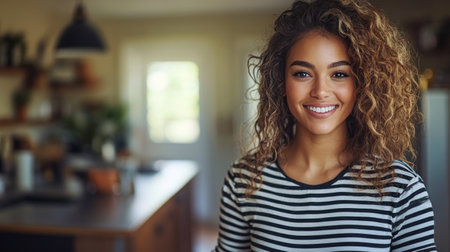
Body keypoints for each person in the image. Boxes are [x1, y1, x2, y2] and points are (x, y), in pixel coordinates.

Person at [215, 0, 437, 251]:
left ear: (362, 84)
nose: (320, 91)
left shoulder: (400, 188)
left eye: (339, 74)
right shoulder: (245, 178)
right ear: (281, 82)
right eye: (302, 73)